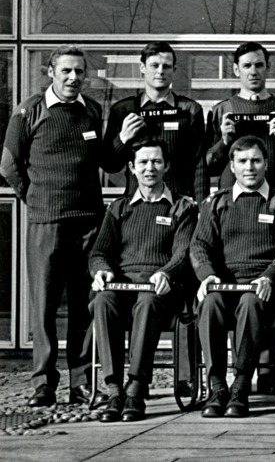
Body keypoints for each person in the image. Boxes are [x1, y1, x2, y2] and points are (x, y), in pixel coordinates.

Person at [1, 45, 105, 407]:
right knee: (44, 306)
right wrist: (38, 199)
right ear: (51, 72)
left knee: (84, 304)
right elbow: (9, 165)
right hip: (47, 222)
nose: (74, 78)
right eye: (66, 71)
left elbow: (102, 158)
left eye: (79, 72)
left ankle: (81, 382)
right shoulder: (30, 110)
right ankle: (43, 383)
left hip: (89, 223)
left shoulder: (92, 110)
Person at [88, 139, 198, 422]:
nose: (150, 168)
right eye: (143, 163)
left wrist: (166, 273)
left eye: (156, 162)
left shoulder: (182, 208)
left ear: (166, 166)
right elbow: (99, 252)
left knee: (147, 302)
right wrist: (101, 269)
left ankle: (136, 388)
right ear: (132, 168)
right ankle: (114, 390)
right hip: (124, 287)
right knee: (102, 300)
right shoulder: (119, 208)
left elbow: (183, 253)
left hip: (160, 290)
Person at [191, 135, 275, 418]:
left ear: (266, 164)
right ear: (232, 166)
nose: (250, 167)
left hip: (262, 289)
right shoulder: (216, 203)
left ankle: (242, 385)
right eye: (243, 161)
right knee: (209, 302)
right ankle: (217, 386)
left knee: (249, 300)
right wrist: (207, 275)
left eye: (256, 160)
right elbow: (200, 245)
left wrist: (270, 275)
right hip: (224, 285)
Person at [103, 42, 207, 200]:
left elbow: (200, 165)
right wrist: (122, 139)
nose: (160, 71)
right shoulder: (123, 110)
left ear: (174, 70)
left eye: (166, 66)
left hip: (179, 206)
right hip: (137, 206)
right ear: (142, 68)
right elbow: (110, 165)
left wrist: (201, 208)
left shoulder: (190, 110)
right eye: (154, 65)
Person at [205, 42, 275, 192]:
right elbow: (209, 168)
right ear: (236, 69)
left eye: (259, 65)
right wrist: (224, 142)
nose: (253, 72)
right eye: (247, 66)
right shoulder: (221, 111)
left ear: (268, 67)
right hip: (231, 202)